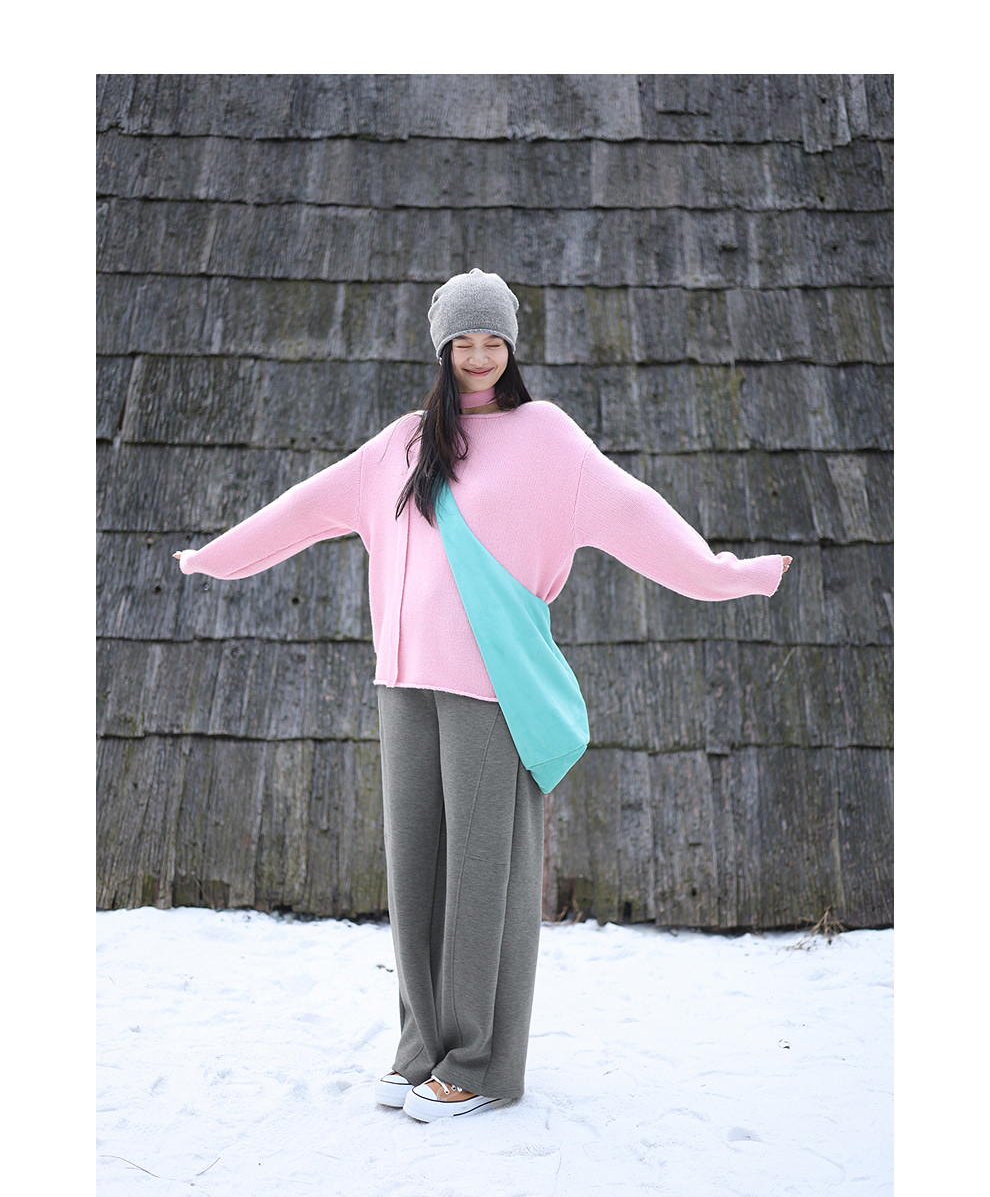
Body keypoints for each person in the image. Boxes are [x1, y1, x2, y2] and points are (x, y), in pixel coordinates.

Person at [174, 268, 792, 1123]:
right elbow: (303, 509)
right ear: (442, 347)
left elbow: (639, 515)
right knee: (415, 876)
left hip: (490, 691)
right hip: (404, 684)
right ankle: (423, 1044)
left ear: (511, 346)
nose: (476, 355)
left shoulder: (549, 439)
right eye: (462, 341)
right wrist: (214, 557)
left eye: (491, 339)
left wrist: (727, 574)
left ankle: (480, 1062)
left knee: (479, 879)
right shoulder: (401, 444)